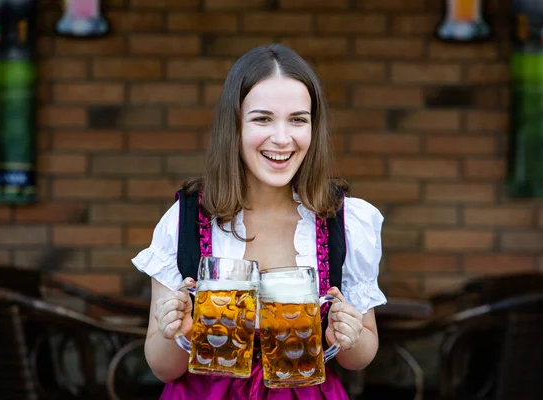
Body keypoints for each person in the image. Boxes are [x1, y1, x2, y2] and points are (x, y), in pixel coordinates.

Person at [131, 43, 387, 399]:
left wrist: (347, 336)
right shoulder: (188, 219)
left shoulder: (343, 220)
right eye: (262, 118)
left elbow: (359, 358)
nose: (282, 138)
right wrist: (173, 328)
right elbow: (163, 367)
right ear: (233, 124)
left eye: (298, 119)